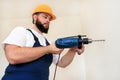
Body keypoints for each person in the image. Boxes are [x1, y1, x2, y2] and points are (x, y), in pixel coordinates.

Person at [2, 4, 84, 80]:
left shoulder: (48, 43)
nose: (48, 20)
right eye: (45, 17)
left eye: (49, 19)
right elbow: (12, 56)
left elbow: (62, 63)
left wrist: (72, 50)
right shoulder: (22, 31)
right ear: (35, 17)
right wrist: (48, 49)